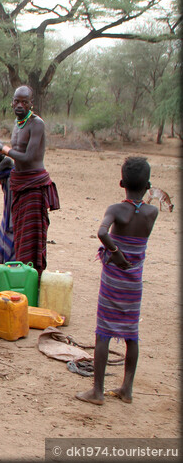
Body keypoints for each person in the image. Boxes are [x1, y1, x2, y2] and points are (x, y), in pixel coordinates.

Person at [76, 157, 158, 406]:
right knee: (131, 334)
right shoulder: (151, 212)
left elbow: (102, 232)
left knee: (104, 333)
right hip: (134, 283)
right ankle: (127, 388)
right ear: (148, 185)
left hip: (113, 281)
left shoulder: (115, 209)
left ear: (121, 182)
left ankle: (97, 391)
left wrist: (113, 251)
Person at [0, 86, 60, 277]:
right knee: (20, 237)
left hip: (33, 186)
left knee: (32, 240)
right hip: (20, 184)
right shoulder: (17, 123)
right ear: (11, 102)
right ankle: (18, 279)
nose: (20, 105)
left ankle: (30, 280)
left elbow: (27, 157)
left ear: (31, 104)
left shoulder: (37, 124)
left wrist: (3, 148)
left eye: (24, 102)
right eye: (16, 101)